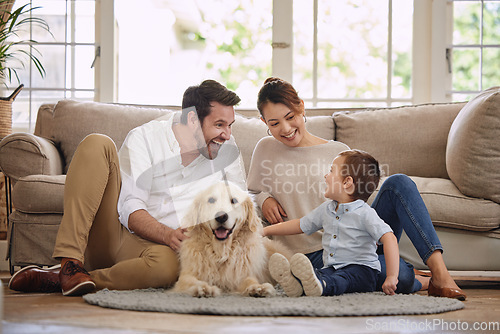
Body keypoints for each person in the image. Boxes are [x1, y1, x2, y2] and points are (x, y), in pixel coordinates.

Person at [8, 79, 246, 296]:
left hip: (161, 252)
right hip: (117, 234)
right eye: (219, 125)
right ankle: (69, 263)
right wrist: (167, 234)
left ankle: (68, 279)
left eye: (230, 125)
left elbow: (241, 206)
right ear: (192, 120)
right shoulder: (146, 138)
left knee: (168, 269)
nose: (227, 134)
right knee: (97, 143)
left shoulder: (227, 149)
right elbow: (131, 208)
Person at [247, 77, 466, 300]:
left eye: (290, 117)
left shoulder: (339, 151)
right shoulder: (266, 149)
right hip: (313, 256)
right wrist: (264, 198)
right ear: (265, 123)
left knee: (399, 183)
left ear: (301, 106)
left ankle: (440, 275)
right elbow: (248, 194)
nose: (285, 128)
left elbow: (359, 205)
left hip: (358, 246)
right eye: (274, 123)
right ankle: (415, 277)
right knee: (401, 276)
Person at [264, 150, 400, 297]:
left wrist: (392, 276)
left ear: (347, 182)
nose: (325, 175)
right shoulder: (327, 209)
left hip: (362, 271)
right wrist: (266, 231)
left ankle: (323, 285)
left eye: (331, 171)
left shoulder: (365, 213)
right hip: (333, 267)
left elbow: (389, 238)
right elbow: (300, 225)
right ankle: (297, 283)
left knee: (341, 279)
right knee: (318, 273)